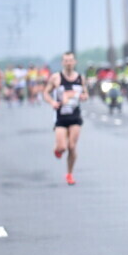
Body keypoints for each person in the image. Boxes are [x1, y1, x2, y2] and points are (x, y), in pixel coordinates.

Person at [43, 52, 89, 185]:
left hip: (75, 116)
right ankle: (57, 148)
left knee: (72, 146)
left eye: (71, 60)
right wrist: (52, 102)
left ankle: (69, 173)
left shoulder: (81, 78)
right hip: (61, 116)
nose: (68, 63)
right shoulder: (56, 78)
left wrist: (84, 97)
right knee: (62, 147)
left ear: (75, 62)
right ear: (62, 63)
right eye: (66, 61)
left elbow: (86, 93)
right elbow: (46, 93)